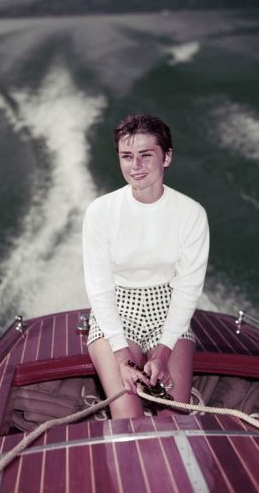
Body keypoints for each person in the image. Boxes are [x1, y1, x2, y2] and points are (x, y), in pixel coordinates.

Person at [82, 112, 209, 418]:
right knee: (128, 419)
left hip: (167, 308)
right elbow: (100, 289)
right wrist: (122, 358)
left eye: (145, 155)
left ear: (167, 157)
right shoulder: (100, 212)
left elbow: (187, 289)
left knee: (175, 418)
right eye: (127, 156)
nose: (135, 165)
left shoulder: (191, 213)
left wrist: (163, 353)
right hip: (116, 308)